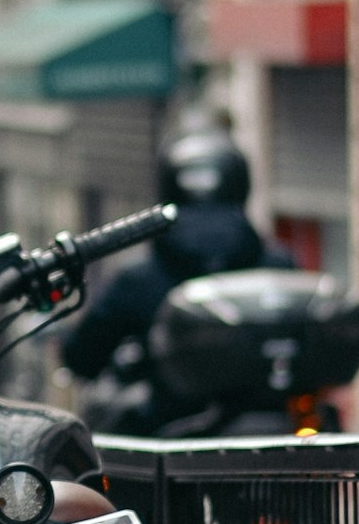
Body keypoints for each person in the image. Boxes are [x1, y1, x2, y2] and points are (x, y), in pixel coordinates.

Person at [61, 126, 294, 385]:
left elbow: (82, 357)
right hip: (262, 400)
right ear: (242, 185)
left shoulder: (137, 279)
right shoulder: (278, 268)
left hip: (165, 407)